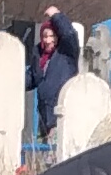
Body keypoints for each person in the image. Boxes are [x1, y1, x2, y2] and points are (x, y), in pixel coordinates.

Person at [25, 8, 83, 141]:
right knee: (45, 158)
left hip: (61, 119)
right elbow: (31, 78)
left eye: (52, 36)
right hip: (44, 120)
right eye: (45, 36)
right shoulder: (39, 56)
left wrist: (56, 15)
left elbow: (69, 34)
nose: (48, 40)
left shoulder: (67, 54)